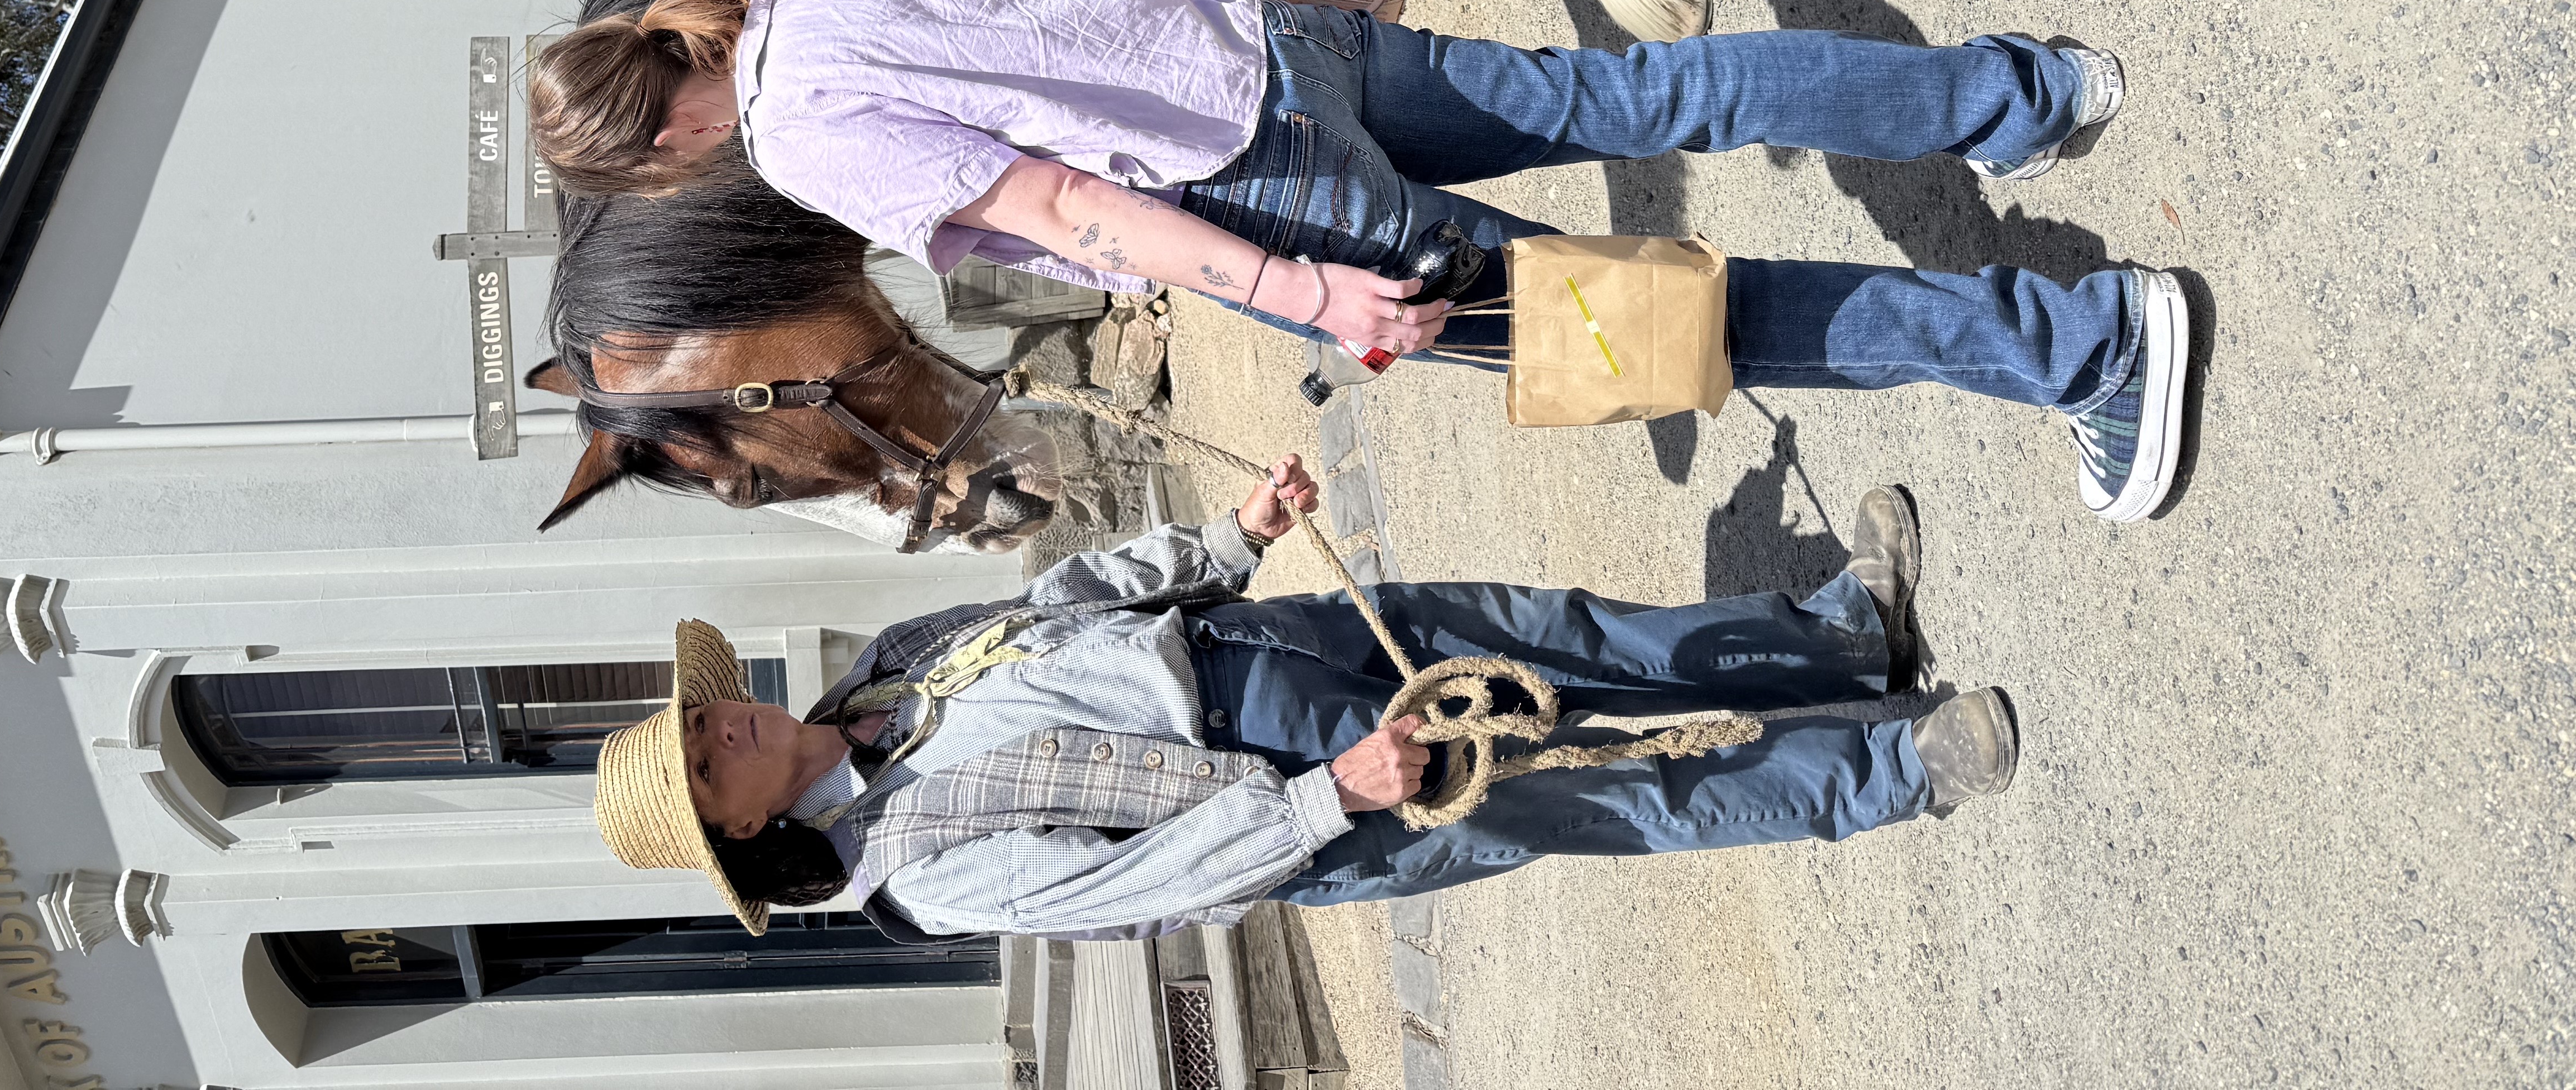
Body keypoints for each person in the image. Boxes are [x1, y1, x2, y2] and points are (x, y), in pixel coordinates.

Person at [534, 0, 2191, 522]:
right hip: (1279, 47)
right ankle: (2020, 93)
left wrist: (1306, 295)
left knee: (1678, 330)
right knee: (1646, 93)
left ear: (664, 147)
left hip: (1280, 208)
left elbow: (1069, 210)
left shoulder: (803, 139)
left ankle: (2087, 345)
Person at [590, 458, 2013, 940]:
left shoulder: (882, 670)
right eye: (711, 766)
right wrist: (1334, 796)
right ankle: (1902, 769)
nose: (727, 729)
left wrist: (1226, 540)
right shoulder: (918, 876)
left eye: (702, 721)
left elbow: (1066, 601)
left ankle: (1839, 641)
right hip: (1301, 790)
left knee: (1560, 637)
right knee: (1605, 785)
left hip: (1259, 642)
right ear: (747, 832)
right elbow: (1143, 884)